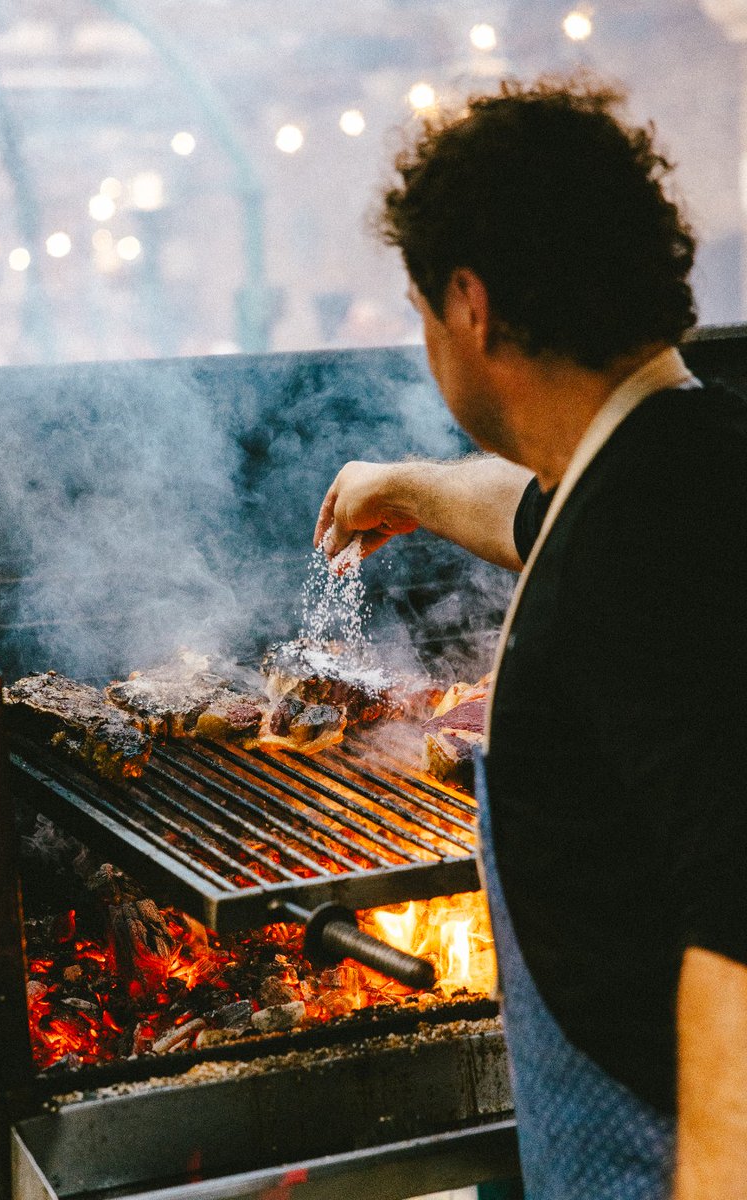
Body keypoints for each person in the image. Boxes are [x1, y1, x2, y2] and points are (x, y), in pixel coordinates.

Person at [315, 78, 747, 1199]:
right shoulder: (696, 454)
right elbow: (547, 515)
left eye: (420, 314)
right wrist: (403, 484)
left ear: (470, 303)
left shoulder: (637, 557)